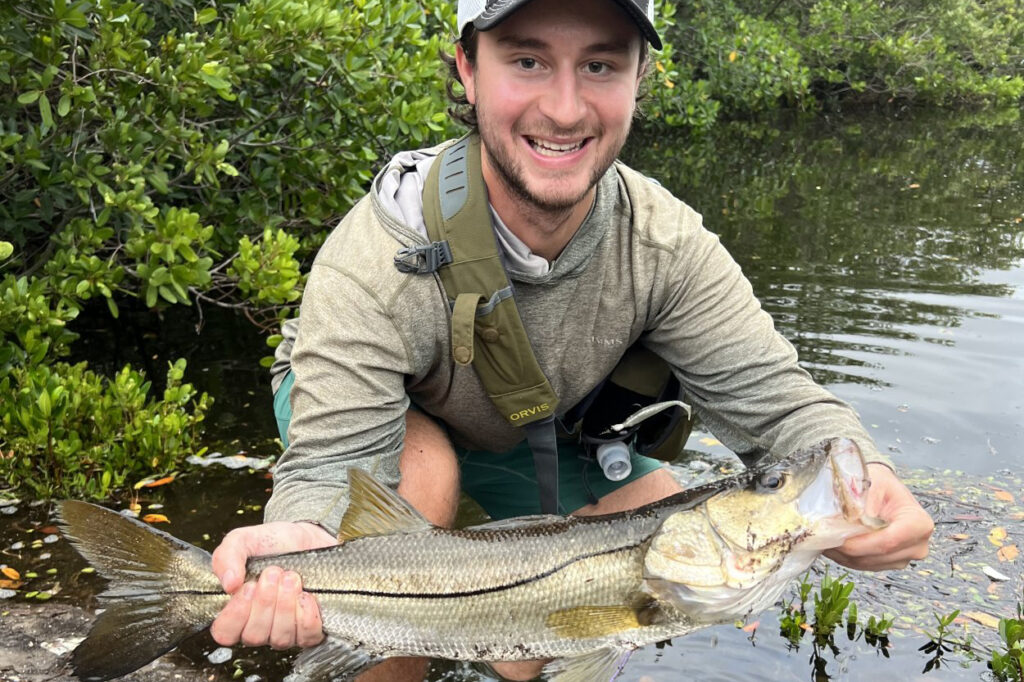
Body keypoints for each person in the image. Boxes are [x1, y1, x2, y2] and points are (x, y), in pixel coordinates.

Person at [209, 1, 935, 680]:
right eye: (527, 61)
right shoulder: (377, 255)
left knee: (604, 601)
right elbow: (335, 464)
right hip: (385, 413)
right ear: (467, 67)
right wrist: (301, 541)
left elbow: (781, 411)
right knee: (423, 483)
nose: (563, 108)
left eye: (600, 65)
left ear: (640, 77)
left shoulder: (665, 243)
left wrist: (868, 475)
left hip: (532, 425)